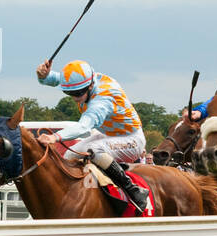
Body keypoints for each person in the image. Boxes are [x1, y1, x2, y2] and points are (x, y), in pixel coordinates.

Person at [35, 58, 149, 212]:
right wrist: (43, 76)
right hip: (109, 135)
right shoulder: (87, 80)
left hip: (132, 140)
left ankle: (134, 190)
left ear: (90, 86)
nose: (75, 97)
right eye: (69, 93)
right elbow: (55, 79)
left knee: (93, 150)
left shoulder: (102, 99)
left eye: (79, 93)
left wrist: (54, 137)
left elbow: (83, 127)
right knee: (69, 154)